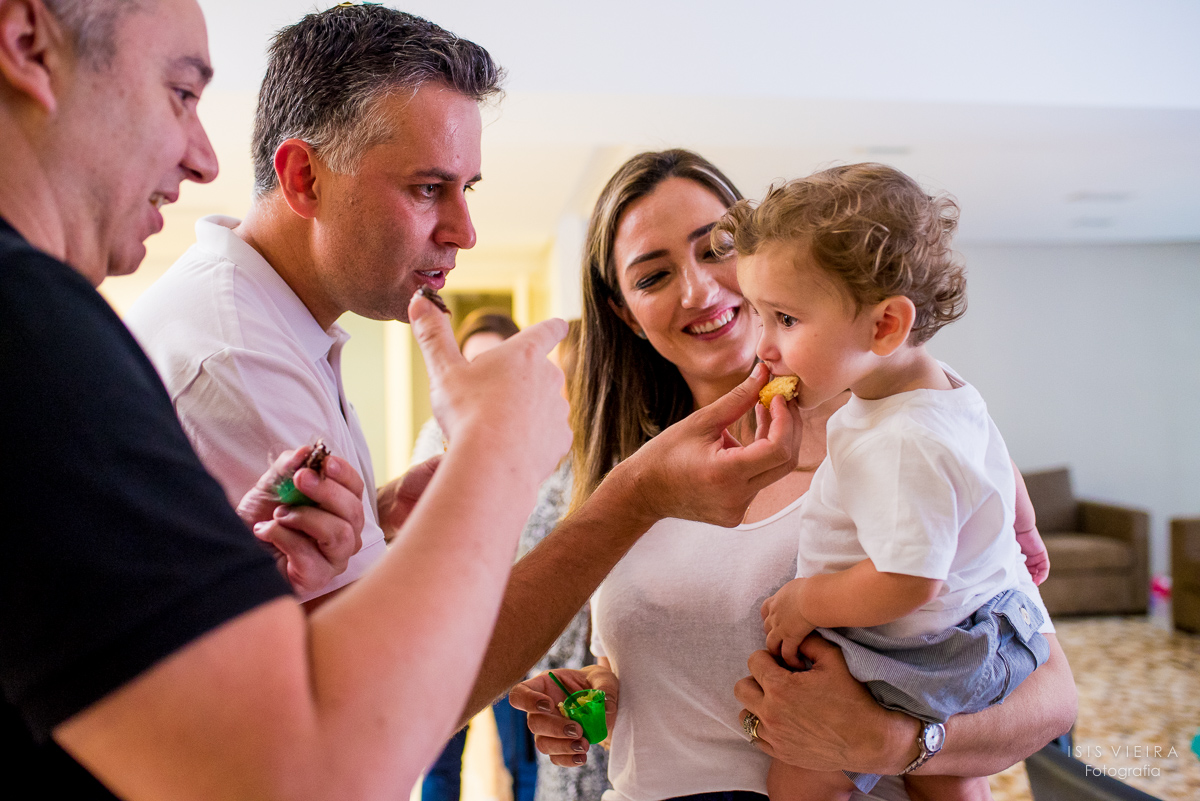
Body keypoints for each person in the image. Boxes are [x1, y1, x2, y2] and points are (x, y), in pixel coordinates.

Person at [2, 3, 801, 798]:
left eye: (718, 247)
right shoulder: (210, 351)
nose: (465, 230)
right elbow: (321, 749)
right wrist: (499, 453)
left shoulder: (274, 336)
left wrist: (361, 532)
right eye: (428, 188)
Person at [508, 150, 1077, 801]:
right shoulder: (615, 482)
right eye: (655, 274)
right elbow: (667, 677)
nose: (698, 289)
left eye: (715, 247)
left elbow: (1051, 696)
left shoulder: (899, 435)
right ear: (623, 313)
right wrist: (608, 696)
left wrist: (893, 742)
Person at [724, 164, 1051, 801]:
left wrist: (806, 601)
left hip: (916, 650)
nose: (762, 345)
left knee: (800, 772)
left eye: (785, 319)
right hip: (962, 630)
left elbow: (909, 580)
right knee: (949, 781)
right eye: (758, 316)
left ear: (884, 327)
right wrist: (1024, 527)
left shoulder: (902, 440)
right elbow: (993, 453)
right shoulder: (937, 386)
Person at [412, 308, 539, 801]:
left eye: (495, 360)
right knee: (438, 764)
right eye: (473, 363)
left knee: (523, 761)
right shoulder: (436, 434)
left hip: (516, 620)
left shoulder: (546, 433)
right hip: (447, 627)